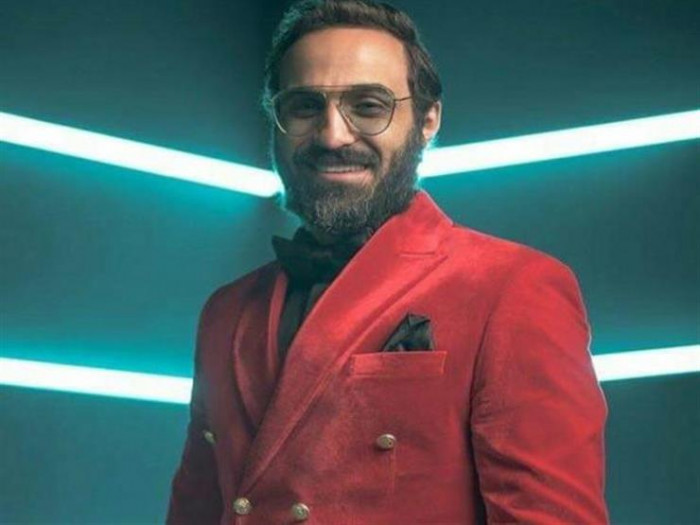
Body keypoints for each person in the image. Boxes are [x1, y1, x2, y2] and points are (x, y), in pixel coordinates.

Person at [167, 0, 609, 523]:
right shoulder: (225, 311)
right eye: (304, 106)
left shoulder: (514, 287)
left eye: (369, 106)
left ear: (427, 120)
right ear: (274, 120)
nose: (332, 135)